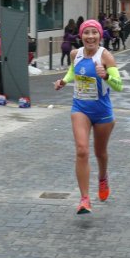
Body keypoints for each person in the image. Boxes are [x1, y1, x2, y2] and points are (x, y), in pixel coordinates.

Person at [54, 19, 123, 214]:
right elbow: (72, 72)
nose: (90, 36)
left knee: (100, 153)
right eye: (86, 33)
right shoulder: (75, 54)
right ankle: (84, 199)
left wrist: (106, 76)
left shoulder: (106, 56)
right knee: (82, 150)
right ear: (81, 35)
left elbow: (119, 85)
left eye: (94, 33)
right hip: (80, 108)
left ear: (100, 36)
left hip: (102, 112)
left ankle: (103, 177)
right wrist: (63, 82)